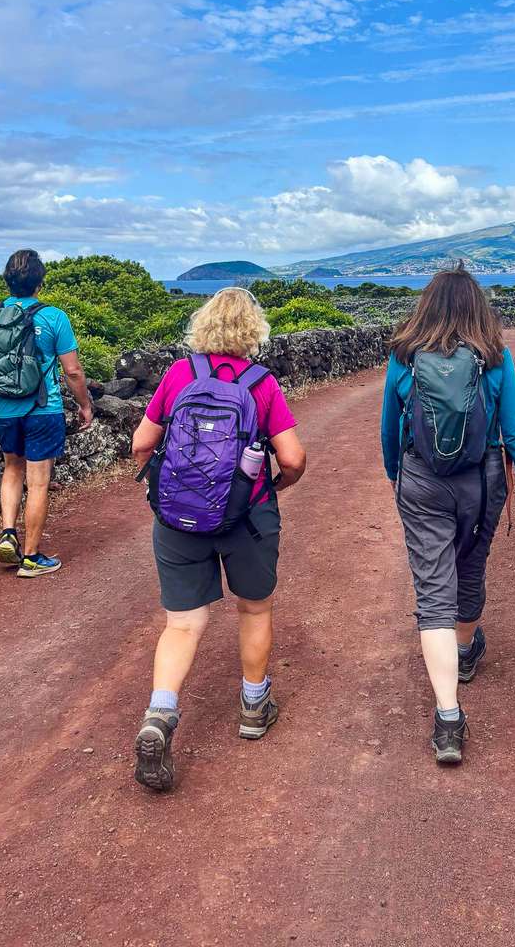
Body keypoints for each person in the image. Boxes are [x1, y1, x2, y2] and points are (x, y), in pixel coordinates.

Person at [130, 287, 306, 792]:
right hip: (245, 516)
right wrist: (272, 487)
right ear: (254, 331)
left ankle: (160, 715)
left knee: (182, 624)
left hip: (178, 517)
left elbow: (143, 442)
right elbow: (292, 459)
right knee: (253, 609)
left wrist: (163, 486)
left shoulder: (179, 375)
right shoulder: (261, 383)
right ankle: (254, 706)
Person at [380, 266, 515, 766]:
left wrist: (399, 477)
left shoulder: (404, 358)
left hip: (422, 479)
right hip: (483, 479)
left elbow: (391, 432)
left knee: (433, 586)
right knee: (470, 566)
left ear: (427, 307)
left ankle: (448, 716)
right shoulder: (495, 359)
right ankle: (466, 647)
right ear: (478, 306)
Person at [0, 249, 93, 577]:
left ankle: (8, 533)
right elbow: (73, 371)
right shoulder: (54, 317)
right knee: (38, 482)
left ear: (7, 280)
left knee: (12, 469)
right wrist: (84, 404)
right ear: (40, 282)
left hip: (3, 408)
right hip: (43, 407)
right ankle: (30, 558)